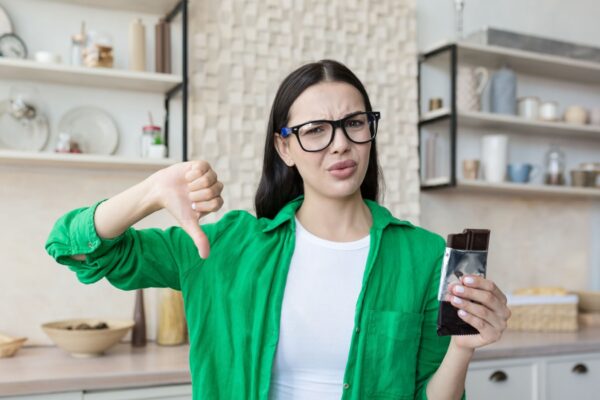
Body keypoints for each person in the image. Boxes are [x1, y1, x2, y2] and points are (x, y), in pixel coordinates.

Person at [46, 60, 510, 400]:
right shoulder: (223, 246)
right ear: (284, 148)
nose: (340, 144)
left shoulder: (424, 255)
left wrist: (464, 349)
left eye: (353, 123)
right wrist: (150, 190)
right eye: (315, 130)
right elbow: (74, 247)